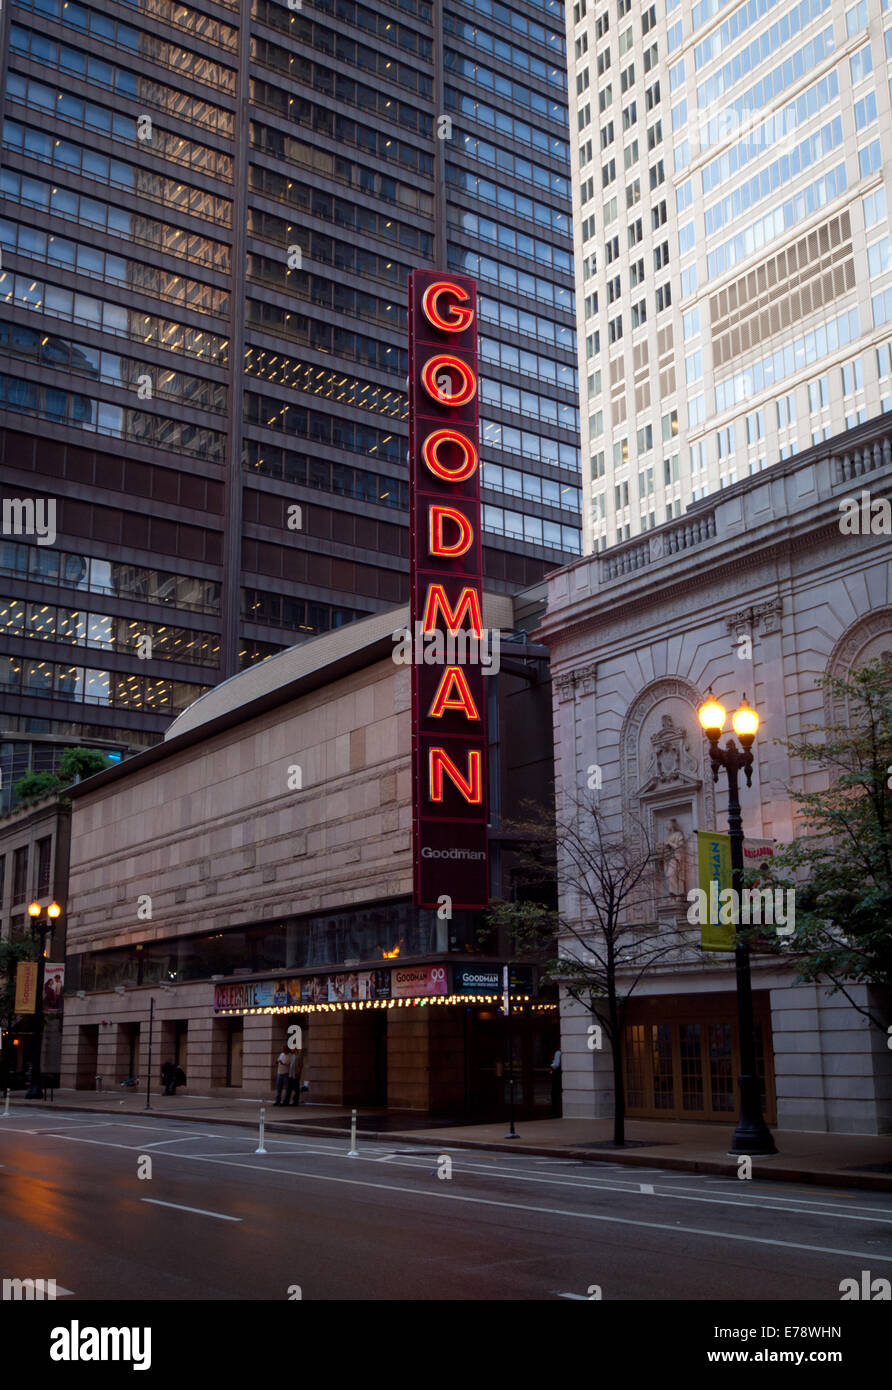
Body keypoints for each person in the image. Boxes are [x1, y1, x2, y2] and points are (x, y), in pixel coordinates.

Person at [549, 1046, 562, 1117]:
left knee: (555, 1094)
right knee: (558, 1093)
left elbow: (556, 1065)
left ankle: (555, 1112)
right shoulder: (563, 1053)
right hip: (560, 1076)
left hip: (557, 1076)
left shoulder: (558, 1052)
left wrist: (551, 1065)